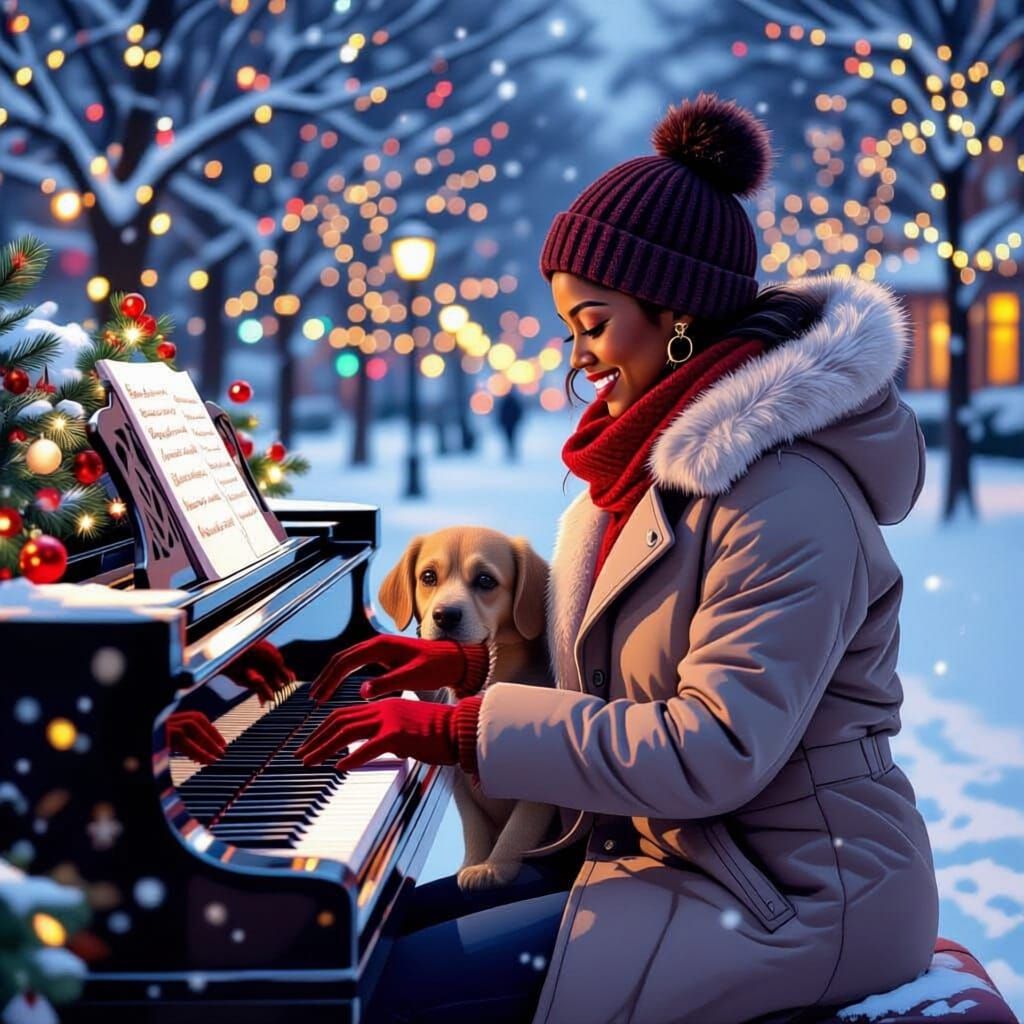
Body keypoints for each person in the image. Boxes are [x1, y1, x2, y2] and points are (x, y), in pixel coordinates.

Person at [296, 93, 939, 1024]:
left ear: (673, 310)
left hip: (793, 898)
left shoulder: (785, 498)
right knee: (344, 949)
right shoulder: (657, 473)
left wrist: (458, 729)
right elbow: (624, 681)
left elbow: (712, 746)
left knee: (379, 992)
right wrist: (467, 666)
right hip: (679, 863)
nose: (579, 358)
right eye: (571, 330)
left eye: (591, 322)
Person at [497, 389, 525, 461]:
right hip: (510, 424)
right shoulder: (513, 402)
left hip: (509, 424)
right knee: (511, 438)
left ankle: (511, 451)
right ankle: (511, 451)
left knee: (510, 438)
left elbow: (501, 413)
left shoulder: (506, 402)